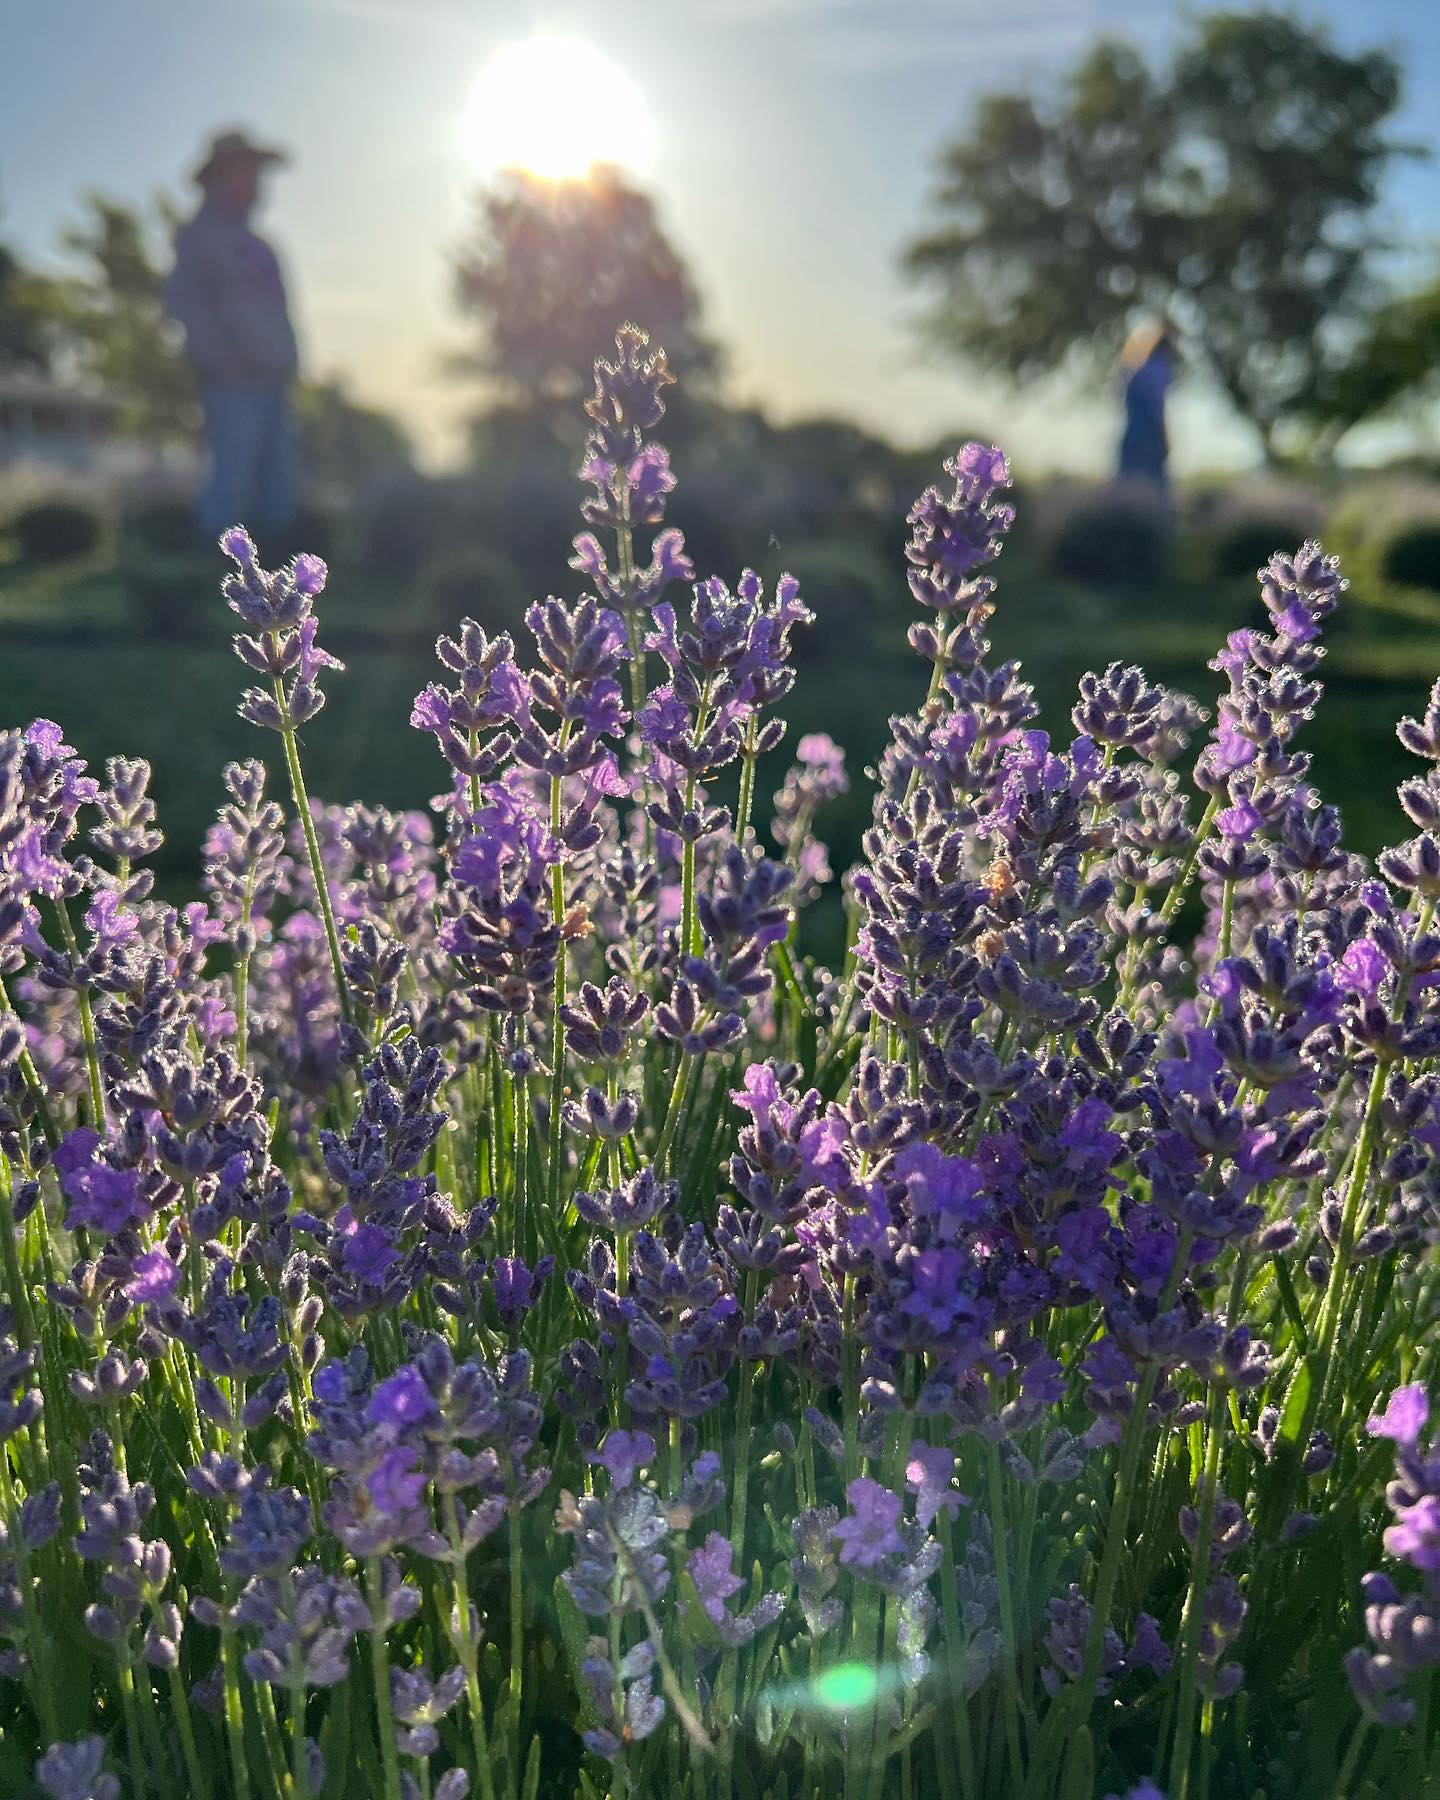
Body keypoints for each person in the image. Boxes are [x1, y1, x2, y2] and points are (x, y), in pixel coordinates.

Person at [166, 129, 299, 539]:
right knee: (233, 477)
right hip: (232, 380)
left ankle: (281, 584)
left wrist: (290, 360)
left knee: (279, 479)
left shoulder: (261, 245)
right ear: (218, 178)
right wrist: (218, 359)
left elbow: (281, 311)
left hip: (273, 377)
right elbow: (185, 302)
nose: (256, 182)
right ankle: (223, 571)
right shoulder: (199, 237)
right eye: (246, 171)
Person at [1117, 322, 1176, 491]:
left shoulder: (1135, 372)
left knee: (1128, 495)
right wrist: (1164, 438)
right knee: (1153, 497)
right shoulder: (1157, 370)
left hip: (1131, 440)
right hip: (1149, 443)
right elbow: (1156, 408)